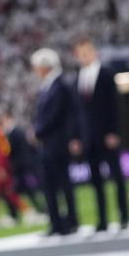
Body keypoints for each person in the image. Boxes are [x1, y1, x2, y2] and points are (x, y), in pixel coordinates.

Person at [73, 37, 129, 231]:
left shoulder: (106, 74)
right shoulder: (78, 77)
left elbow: (115, 106)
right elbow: (79, 112)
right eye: (80, 54)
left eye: (87, 52)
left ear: (94, 52)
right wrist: (79, 137)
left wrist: (114, 131)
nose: (84, 56)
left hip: (107, 135)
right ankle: (103, 220)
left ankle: (124, 216)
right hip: (89, 138)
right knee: (96, 181)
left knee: (117, 177)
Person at [31, 48, 80, 236]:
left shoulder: (60, 85)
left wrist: (38, 131)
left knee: (62, 183)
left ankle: (69, 221)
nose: (36, 70)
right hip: (49, 142)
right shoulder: (49, 86)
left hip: (57, 142)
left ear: (44, 66)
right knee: (50, 184)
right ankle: (57, 222)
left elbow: (56, 115)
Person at [5, 114, 45, 215]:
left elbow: (14, 150)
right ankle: (36, 209)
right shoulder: (17, 132)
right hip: (23, 164)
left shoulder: (16, 132)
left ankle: (38, 209)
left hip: (22, 165)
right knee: (25, 189)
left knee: (28, 188)